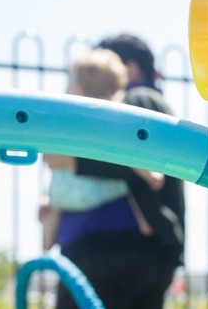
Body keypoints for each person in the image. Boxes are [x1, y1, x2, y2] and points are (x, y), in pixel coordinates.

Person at [49, 33, 208, 309]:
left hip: (105, 254)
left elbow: (134, 160)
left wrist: (68, 159)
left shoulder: (135, 100)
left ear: (130, 70)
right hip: (144, 254)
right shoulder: (153, 103)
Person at [40, 48, 162, 250]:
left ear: (77, 87)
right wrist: (150, 175)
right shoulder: (115, 117)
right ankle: (144, 221)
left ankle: (47, 241)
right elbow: (128, 155)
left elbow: (51, 160)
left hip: (67, 202)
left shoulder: (67, 119)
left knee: (54, 197)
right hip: (109, 204)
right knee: (130, 190)